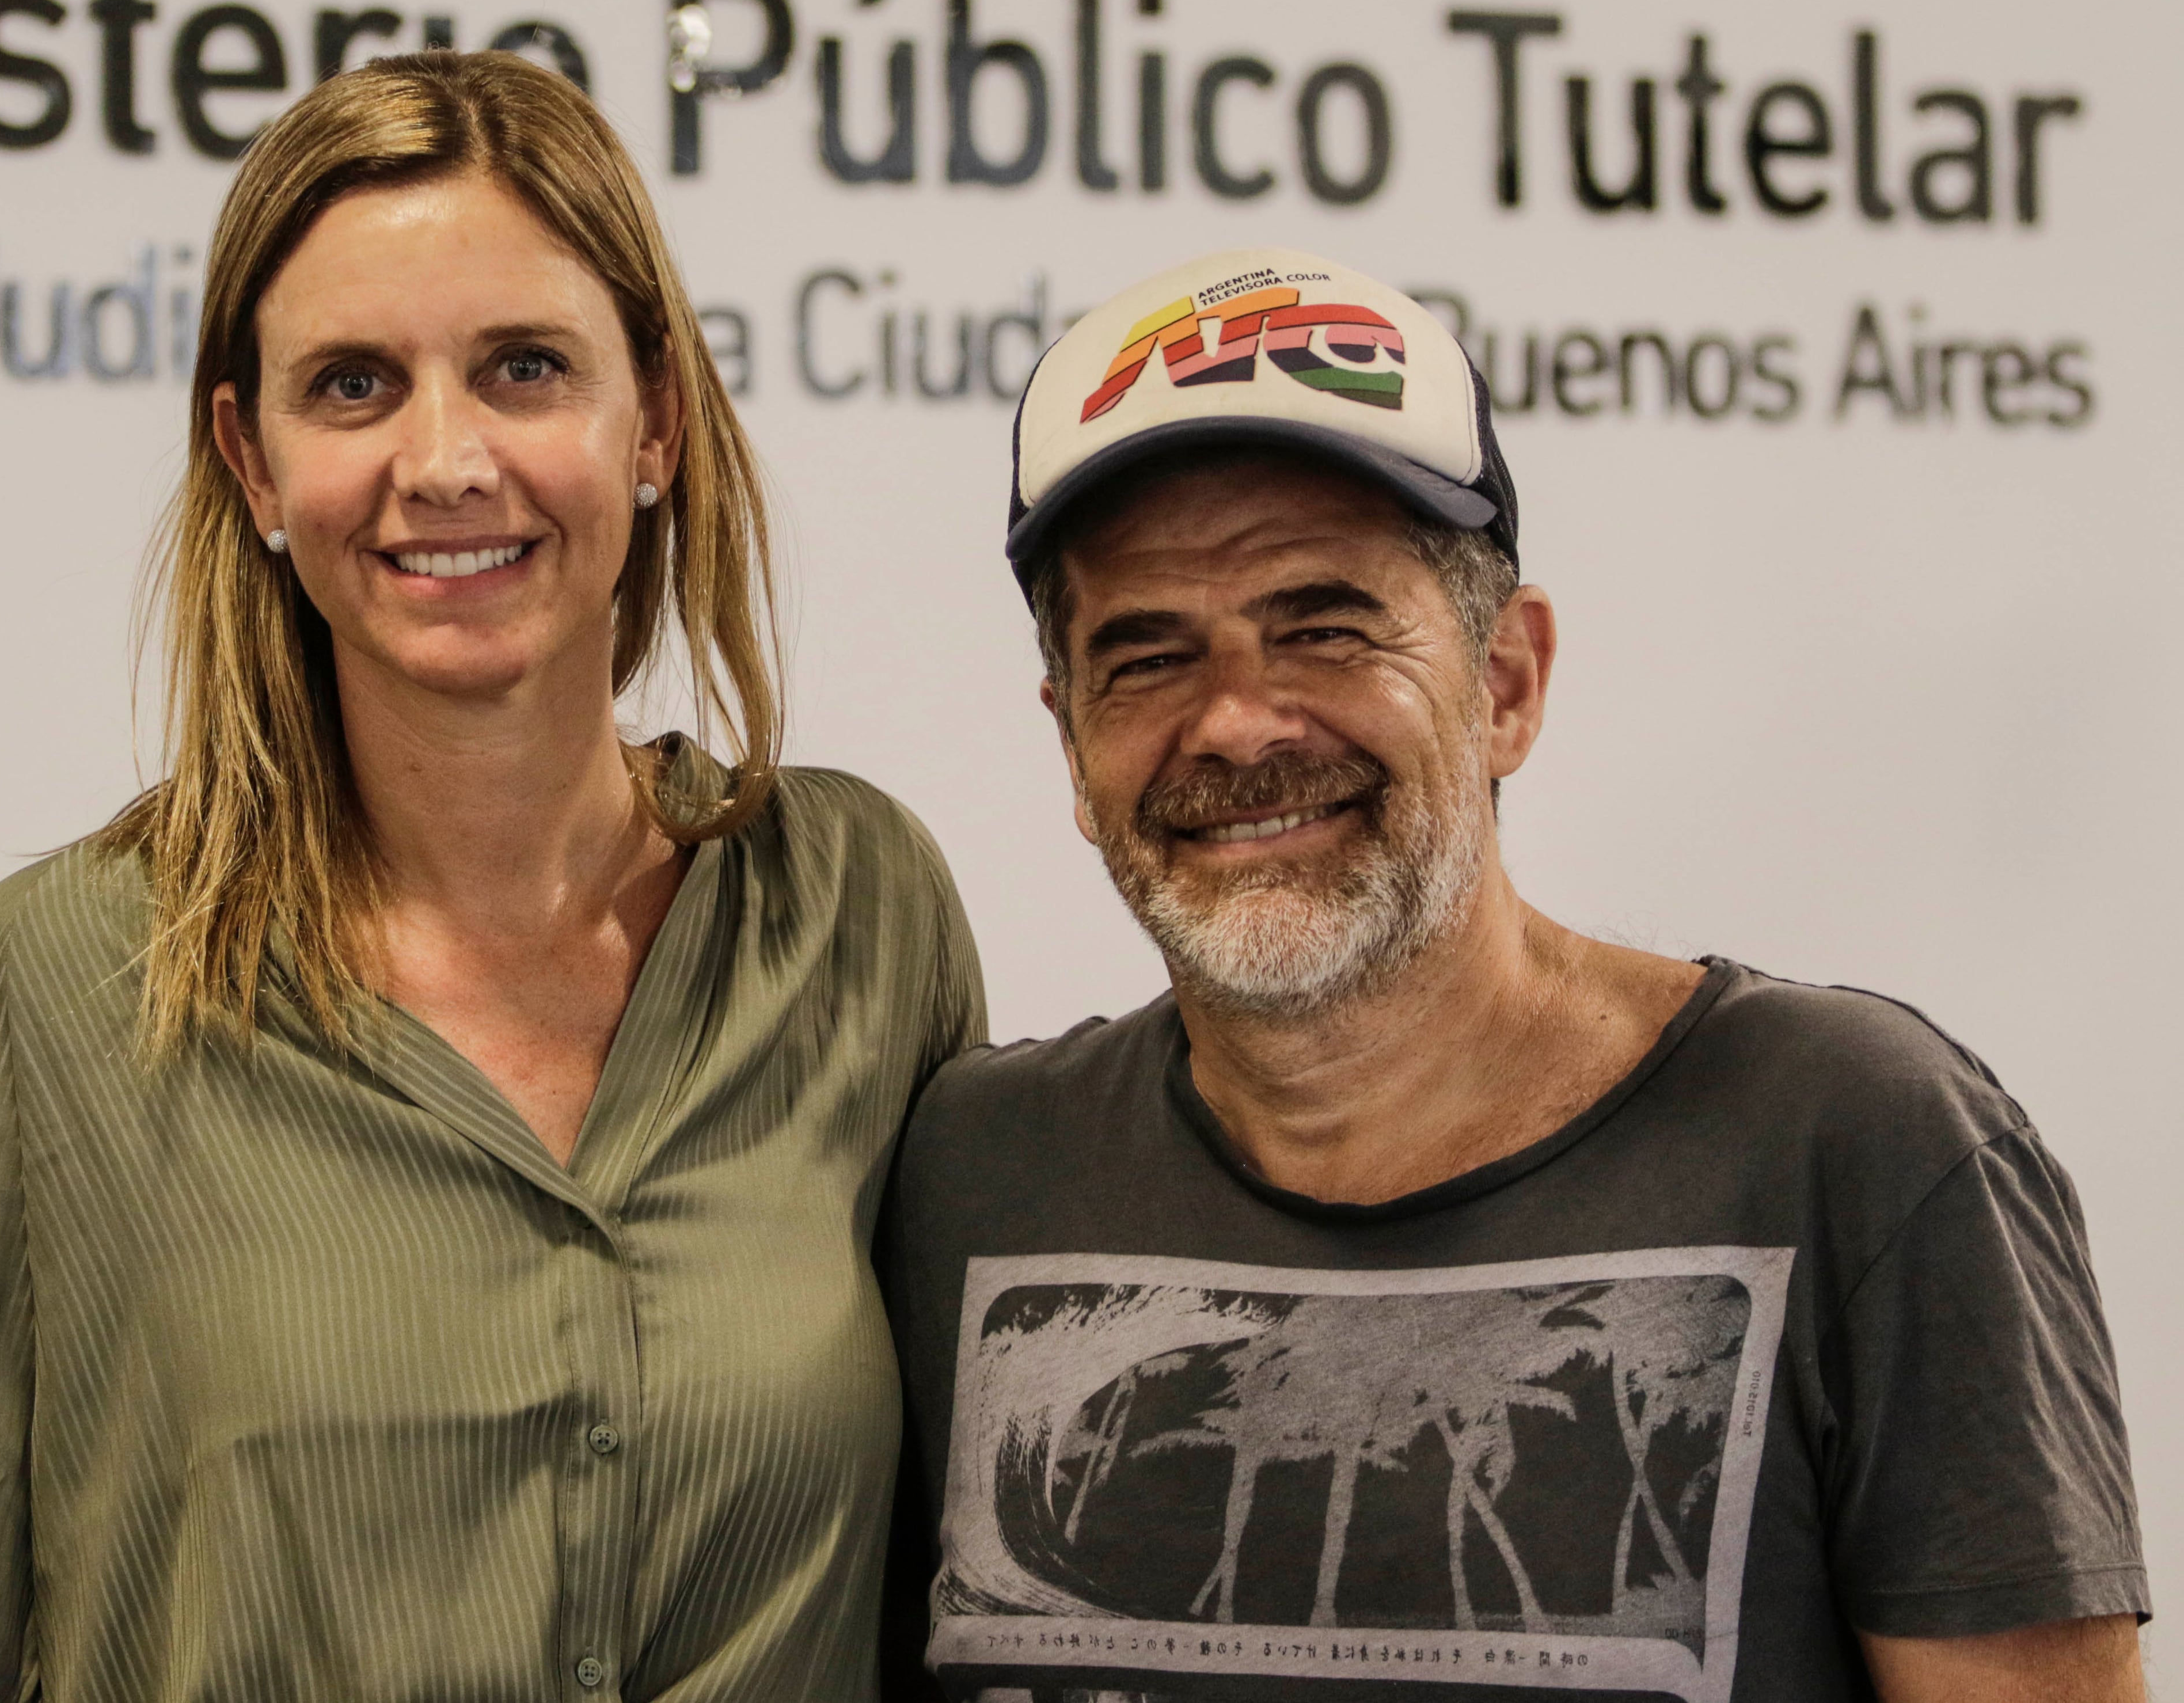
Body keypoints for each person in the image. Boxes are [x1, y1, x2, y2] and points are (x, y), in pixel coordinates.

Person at [0, 51, 984, 1703]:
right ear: (251, 455)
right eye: (354, 385)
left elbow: (958, 1586)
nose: (444, 460)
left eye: (522, 367)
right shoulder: (59, 978)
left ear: (653, 415)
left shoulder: (856, 909)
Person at [879, 248, 2147, 1702]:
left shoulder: (1856, 1144)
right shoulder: (969, 1172)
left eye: (1324, 624)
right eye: (1147, 655)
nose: (1235, 722)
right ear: (1072, 750)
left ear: (1506, 682)